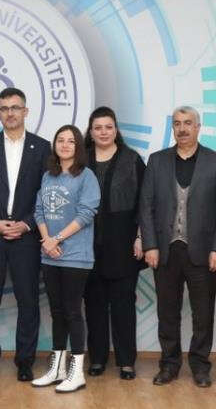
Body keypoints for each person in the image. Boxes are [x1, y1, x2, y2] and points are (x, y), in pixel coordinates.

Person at [140, 106, 216, 389]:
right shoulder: (157, 161)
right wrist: (150, 244)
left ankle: (200, 366)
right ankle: (169, 364)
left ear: (198, 127)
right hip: (165, 250)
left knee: (203, 313)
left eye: (188, 123)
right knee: (167, 312)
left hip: (203, 250)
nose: (182, 128)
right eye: (177, 123)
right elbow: (146, 206)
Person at [0, 87, 51, 382]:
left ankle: (25, 361)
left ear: (25, 111)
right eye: (4, 108)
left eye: (15, 108)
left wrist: (27, 223)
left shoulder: (43, 148)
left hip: (26, 237)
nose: (10, 113)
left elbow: (46, 193)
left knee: (28, 301)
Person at [31, 125, 100, 393]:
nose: (65, 145)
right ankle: (57, 369)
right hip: (50, 255)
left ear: (78, 146)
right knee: (57, 312)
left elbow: (86, 213)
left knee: (72, 312)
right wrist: (47, 241)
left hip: (75, 256)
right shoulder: (48, 175)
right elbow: (39, 210)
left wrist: (56, 239)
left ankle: (76, 372)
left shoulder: (86, 176)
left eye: (71, 141)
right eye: (60, 140)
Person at [82, 106, 145, 380]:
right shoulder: (80, 160)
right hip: (86, 243)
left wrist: (141, 237)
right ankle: (97, 358)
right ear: (91, 132)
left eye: (108, 127)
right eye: (98, 128)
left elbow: (145, 203)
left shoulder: (132, 159)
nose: (104, 132)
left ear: (116, 130)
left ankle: (126, 361)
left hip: (124, 243)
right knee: (93, 304)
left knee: (123, 305)